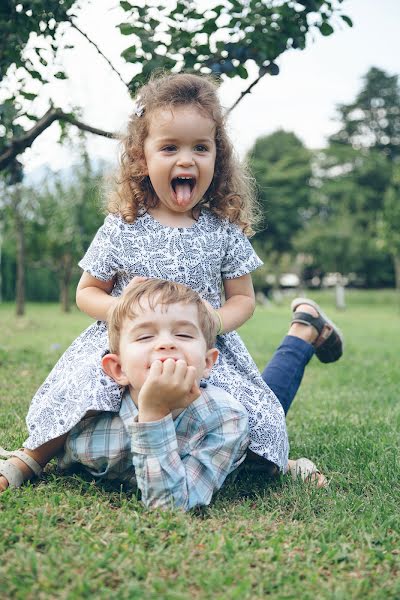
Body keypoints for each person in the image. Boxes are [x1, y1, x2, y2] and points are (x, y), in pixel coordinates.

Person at [0, 72, 343, 494]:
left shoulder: (223, 230)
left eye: (201, 147)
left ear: (218, 158)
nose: (186, 160)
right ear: (142, 159)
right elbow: (87, 292)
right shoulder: (122, 226)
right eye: (169, 147)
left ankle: (273, 461)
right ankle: (30, 459)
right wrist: (124, 313)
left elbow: (244, 300)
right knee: (85, 391)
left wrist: (210, 322)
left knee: (249, 412)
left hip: (198, 341)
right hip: (130, 342)